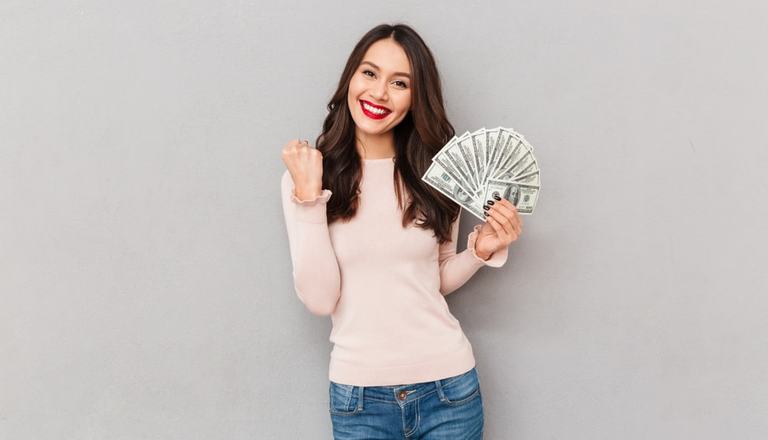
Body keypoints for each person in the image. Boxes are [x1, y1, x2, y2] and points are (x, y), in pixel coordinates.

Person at [280, 23, 523, 440]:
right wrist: (309, 198)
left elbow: (435, 279)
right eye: (369, 73)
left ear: (415, 98)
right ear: (350, 78)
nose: (378, 93)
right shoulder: (309, 177)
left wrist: (479, 251)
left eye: (399, 83)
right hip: (359, 400)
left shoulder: (436, 175)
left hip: (449, 390)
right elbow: (320, 299)